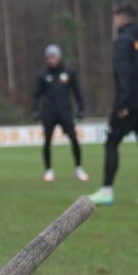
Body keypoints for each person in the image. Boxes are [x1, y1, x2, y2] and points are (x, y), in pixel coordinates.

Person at [89, 1, 138, 206]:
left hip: (129, 103)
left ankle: (106, 192)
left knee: (111, 143)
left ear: (120, 17)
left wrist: (121, 102)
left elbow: (124, 73)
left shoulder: (123, 40)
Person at [31, 44, 89, 182]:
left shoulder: (68, 72)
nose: (52, 59)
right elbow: (36, 94)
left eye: (54, 56)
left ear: (59, 57)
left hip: (65, 112)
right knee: (47, 142)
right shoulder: (43, 75)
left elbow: (77, 91)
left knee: (74, 140)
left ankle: (78, 169)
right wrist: (35, 110)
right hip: (49, 112)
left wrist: (81, 108)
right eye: (49, 57)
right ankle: (49, 170)